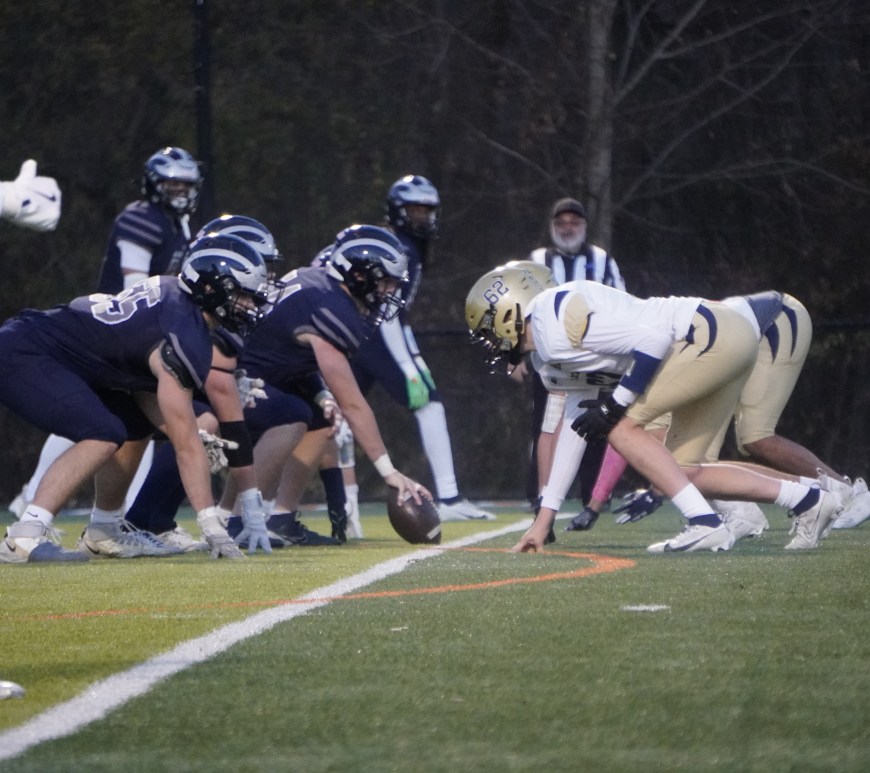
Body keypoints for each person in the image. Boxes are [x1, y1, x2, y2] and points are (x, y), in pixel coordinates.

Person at [464, 265, 843, 554]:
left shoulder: (552, 320)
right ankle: (810, 499)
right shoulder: (548, 355)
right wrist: (543, 519)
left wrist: (614, 407)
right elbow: (576, 430)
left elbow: (653, 340)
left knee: (618, 425)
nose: (489, 340)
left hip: (709, 333)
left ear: (510, 309)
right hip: (725, 335)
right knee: (682, 469)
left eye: (487, 328)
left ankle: (705, 522)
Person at [0, 234, 271, 563]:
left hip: (47, 350)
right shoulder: (185, 334)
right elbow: (186, 447)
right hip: (27, 352)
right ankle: (26, 534)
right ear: (211, 288)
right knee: (102, 432)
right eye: (242, 295)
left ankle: (104, 529)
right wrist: (211, 524)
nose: (250, 305)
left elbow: (145, 394)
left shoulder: (174, 297)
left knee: (133, 423)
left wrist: (186, 434)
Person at [565, 292, 870, 536]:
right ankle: (778, 503)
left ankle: (843, 491)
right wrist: (596, 505)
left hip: (774, 320)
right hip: (732, 338)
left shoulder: (648, 347)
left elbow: (636, 435)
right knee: (698, 461)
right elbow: (633, 435)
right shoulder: (643, 347)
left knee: (755, 437)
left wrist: (654, 492)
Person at [9, 147, 203, 519]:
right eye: (172, 183)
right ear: (154, 184)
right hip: (116, 335)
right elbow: (135, 284)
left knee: (108, 419)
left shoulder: (178, 224)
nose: (180, 190)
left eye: (186, 183)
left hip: (137, 335)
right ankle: (43, 498)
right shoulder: (141, 218)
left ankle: (38, 497)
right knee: (99, 418)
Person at [222, 224, 432, 548]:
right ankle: (238, 521)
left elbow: (286, 352)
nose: (391, 290)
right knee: (293, 416)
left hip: (254, 374)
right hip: (231, 380)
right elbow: (353, 403)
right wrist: (389, 472)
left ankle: (280, 519)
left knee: (321, 417)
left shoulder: (318, 284)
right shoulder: (332, 307)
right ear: (359, 276)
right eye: (386, 281)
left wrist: (320, 394)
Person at [121, 215, 286, 552]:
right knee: (204, 423)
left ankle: (156, 520)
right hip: (123, 383)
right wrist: (250, 509)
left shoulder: (214, 311)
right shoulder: (195, 311)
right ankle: (140, 519)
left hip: (142, 383)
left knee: (213, 421)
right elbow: (229, 414)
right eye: (257, 263)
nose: (265, 277)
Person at [337, 176, 494, 523]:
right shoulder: (399, 247)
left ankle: (316, 503)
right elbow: (387, 310)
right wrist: (410, 368)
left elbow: (398, 314)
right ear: (398, 211)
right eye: (414, 210)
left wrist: (416, 361)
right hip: (371, 331)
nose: (422, 217)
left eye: (427, 210)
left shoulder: (409, 246)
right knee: (429, 405)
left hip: (360, 332)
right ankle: (449, 497)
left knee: (330, 417)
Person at [526, 197, 626, 536]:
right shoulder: (538, 260)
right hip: (553, 358)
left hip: (593, 357)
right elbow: (521, 309)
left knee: (593, 425)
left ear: (584, 226)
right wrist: (518, 356)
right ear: (552, 226)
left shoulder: (602, 260)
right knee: (550, 425)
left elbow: (620, 302)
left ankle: (590, 498)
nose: (567, 228)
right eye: (561, 222)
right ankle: (543, 500)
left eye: (574, 222)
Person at [0, 159, 61, 232]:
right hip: (13, 204)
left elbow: (31, 163)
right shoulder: (25, 184)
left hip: (14, 201)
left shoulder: (27, 183)